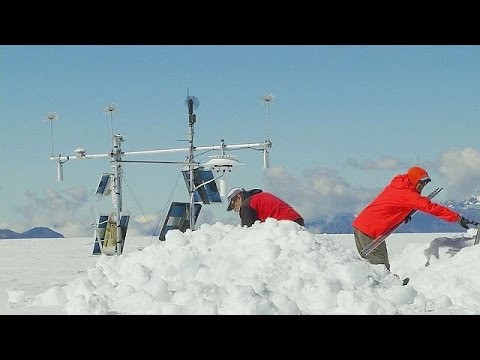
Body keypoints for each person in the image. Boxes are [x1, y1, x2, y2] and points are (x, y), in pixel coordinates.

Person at [352, 166, 479, 271]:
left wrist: (403, 213)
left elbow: (393, 203)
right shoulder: (407, 194)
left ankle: (385, 287)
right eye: (422, 182)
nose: (423, 185)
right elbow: (431, 208)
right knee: (380, 265)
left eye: (426, 182)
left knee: (377, 264)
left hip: (365, 226)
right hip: (370, 230)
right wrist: (458, 218)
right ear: (414, 180)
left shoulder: (401, 185)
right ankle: (387, 290)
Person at [226, 187, 305, 227]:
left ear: (239, 197)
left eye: (233, 204)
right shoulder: (259, 197)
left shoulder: (246, 205)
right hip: (296, 219)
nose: (234, 209)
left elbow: (248, 230)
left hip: (285, 225)